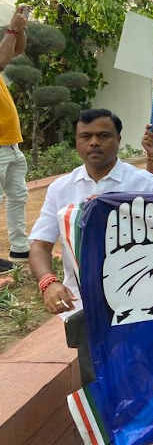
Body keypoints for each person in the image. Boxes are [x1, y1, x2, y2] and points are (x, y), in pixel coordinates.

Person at [28, 109, 153, 384]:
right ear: (76, 142)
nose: (94, 143)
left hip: (136, 303)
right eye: (85, 136)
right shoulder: (61, 188)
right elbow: (40, 244)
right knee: (95, 381)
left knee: (141, 378)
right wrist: (48, 282)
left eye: (103, 136)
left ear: (118, 139)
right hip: (83, 304)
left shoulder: (144, 184)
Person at [0, 6, 31, 269]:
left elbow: (16, 51)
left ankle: (20, 249)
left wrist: (21, 28)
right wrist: (12, 29)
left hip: (10, 144)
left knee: (18, 196)